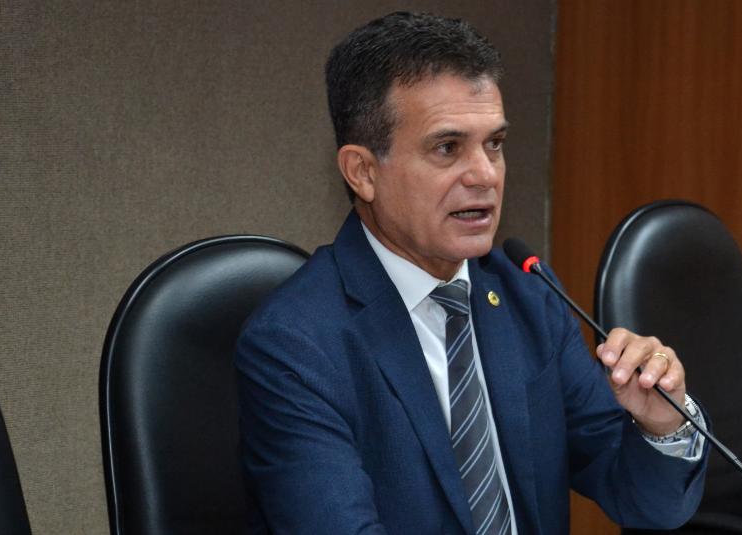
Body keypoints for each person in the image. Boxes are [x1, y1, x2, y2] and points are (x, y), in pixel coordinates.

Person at [236, 11, 708, 534]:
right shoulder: (295, 346)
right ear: (363, 171)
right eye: (448, 148)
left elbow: (647, 504)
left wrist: (662, 424)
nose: (485, 175)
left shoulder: (527, 295)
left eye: (495, 144)